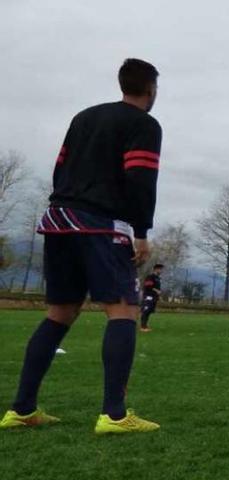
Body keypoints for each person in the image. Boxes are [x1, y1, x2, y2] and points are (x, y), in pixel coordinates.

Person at [1, 59, 162, 434]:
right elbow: (140, 178)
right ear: (151, 90)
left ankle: (22, 409)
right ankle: (114, 415)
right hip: (100, 225)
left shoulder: (83, 117)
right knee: (122, 311)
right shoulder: (144, 124)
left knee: (59, 313)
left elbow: (60, 168)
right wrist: (141, 231)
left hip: (58, 220)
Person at [139, 263, 164, 332]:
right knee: (145, 310)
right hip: (148, 296)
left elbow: (157, 287)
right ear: (156, 269)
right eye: (160, 269)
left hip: (154, 297)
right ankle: (142, 327)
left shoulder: (158, 278)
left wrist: (158, 295)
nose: (161, 271)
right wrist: (157, 291)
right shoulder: (150, 276)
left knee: (149, 311)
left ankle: (145, 325)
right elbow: (148, 286)